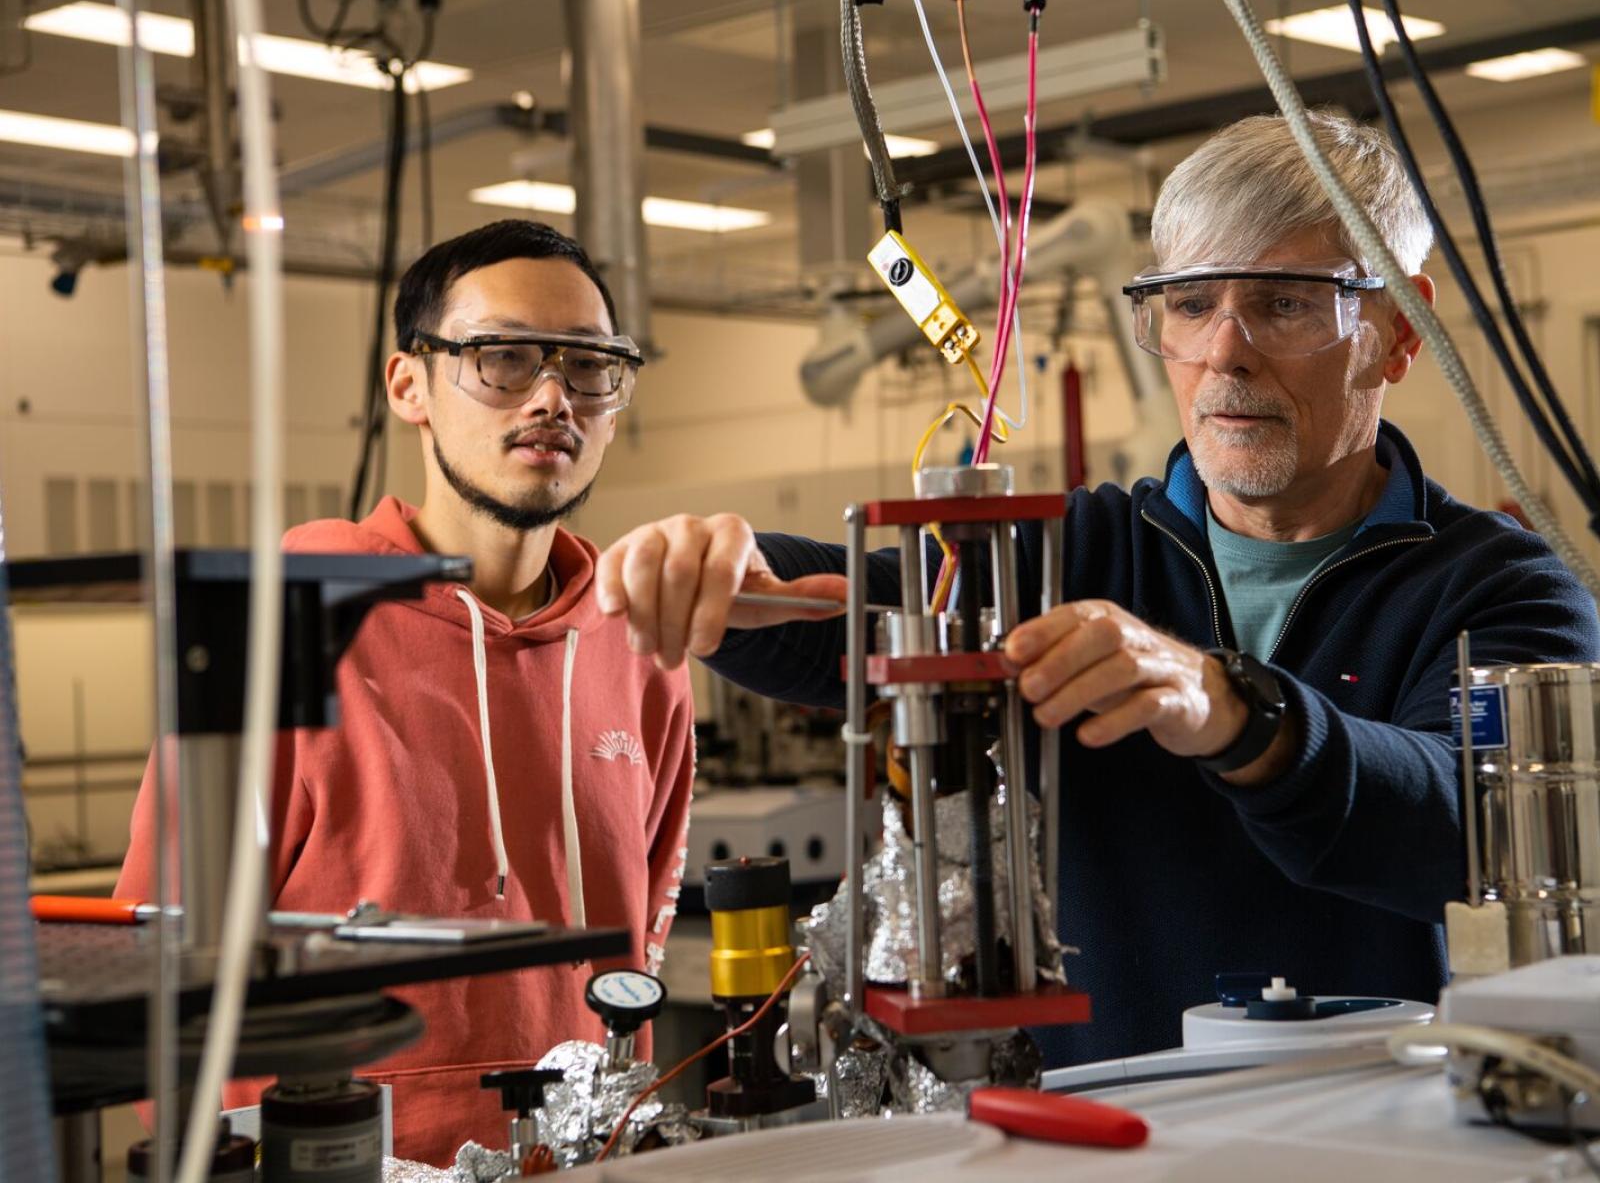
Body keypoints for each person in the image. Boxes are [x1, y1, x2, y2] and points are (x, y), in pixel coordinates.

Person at [593, 113, 1600, 1072]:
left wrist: (1227, 709)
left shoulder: (1500, 587)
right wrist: (723, 576)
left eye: (1284, 301)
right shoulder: (1078, 550)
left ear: (1396, 331)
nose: (1224, 350)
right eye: (1192, 303)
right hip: (1102, 1126)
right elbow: (856, 612)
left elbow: (1462, 822)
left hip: (1370, 1130)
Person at [117, 220, 695, 1165]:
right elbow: (158, 961)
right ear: (409, 385)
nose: (554, 395)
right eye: (502, 358)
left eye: (589, 365)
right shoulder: (293, 619)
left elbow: (641, 946)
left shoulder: (643, 646)